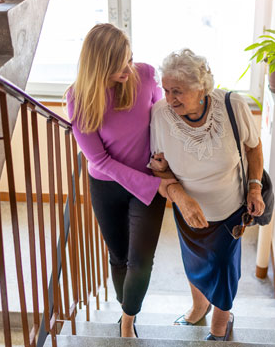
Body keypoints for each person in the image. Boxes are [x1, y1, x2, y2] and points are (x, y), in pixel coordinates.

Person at [66, 23, 176, 338]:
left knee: (141, 260)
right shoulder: (78, 99)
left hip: (148, 181)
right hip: (107, 186)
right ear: (99, 65)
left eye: (130, 59)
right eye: (120, 65)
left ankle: (128, 319)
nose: (129, 68)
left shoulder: (144, 74)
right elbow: (99, 160)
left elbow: (162, 118)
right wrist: (155, 186)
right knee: (119, 257)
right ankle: (126, 306)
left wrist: (162, 161)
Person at [148, 49, 265, 341]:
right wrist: (178, 194)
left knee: (224, 268)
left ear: (201, 87)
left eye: (178, 91)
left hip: (230, 211)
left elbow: (253, 147)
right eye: (166, 90)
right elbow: (159, 167)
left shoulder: (232, 105)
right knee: (195, 263)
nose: (170, 98)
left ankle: (220, 324)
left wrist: (254, 186)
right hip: (187, 211)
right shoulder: (161, 115)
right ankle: (199, 306)